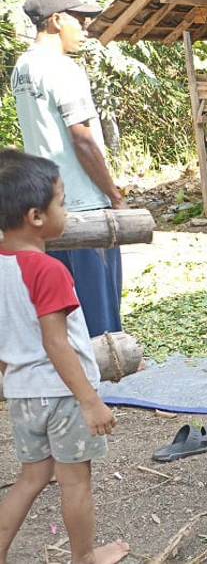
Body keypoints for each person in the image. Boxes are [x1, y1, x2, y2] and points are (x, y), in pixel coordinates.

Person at [0, 150, 130, 564]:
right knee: (76, 481)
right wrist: (90, 401)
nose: (67, 210)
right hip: (63, 395)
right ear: (36, 216)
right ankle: (84, 557)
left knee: (31, 477)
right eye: (62, 201)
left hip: (22, 394)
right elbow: (56, 343)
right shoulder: (49, 271)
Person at [12, 0, 127, 338]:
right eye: (80, 20)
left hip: (46, 208)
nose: (86, 28)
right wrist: (114, 196)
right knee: (100, 318)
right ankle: (101, 389)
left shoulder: (22, 69)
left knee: (60, 314)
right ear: (56, 20)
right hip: (85, 206)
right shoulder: (62, 69)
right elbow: (82, 139)